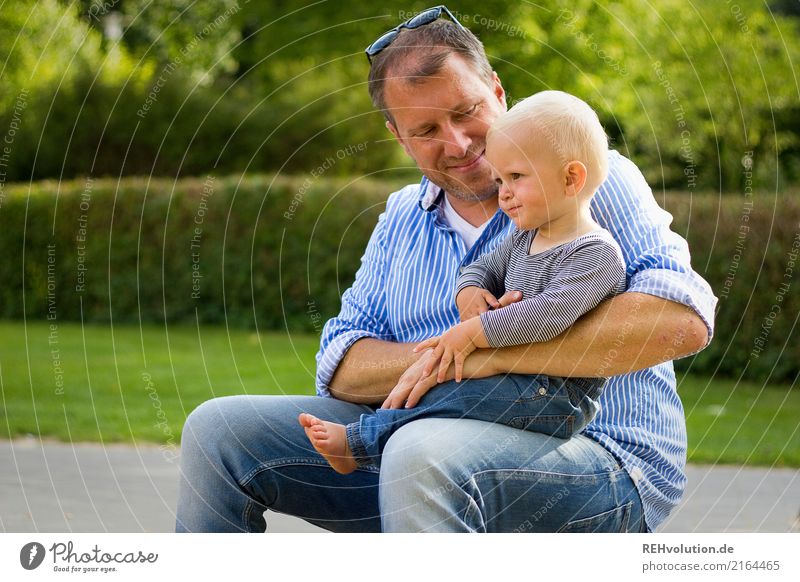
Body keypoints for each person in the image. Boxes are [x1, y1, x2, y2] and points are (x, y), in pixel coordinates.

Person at [175, 7, 717, 533]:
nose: (457, 143)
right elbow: (341, 365)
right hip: (409, 447)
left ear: (499, 93)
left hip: (596, 460)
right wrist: (455, 355)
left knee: (421, 452)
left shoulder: (587, 180)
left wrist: (486, 351)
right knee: (217, 432)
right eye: (427, 129)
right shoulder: (400, 217)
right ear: (398, 138)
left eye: (465, 112)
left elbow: (680, 320)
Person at [298, 90, 627, 474]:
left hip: (556, 399)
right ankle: (373, 442)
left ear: (571, 179)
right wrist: (469, 293)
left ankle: (360, 443)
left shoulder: (596, 254)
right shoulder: (526, 237)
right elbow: (479, 268)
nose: (503, 193)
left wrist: (472, 333)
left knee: (454, 393)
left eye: (516, 177)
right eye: (501, 178)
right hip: (515, 380)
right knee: (447, 385)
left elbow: (546, 317)